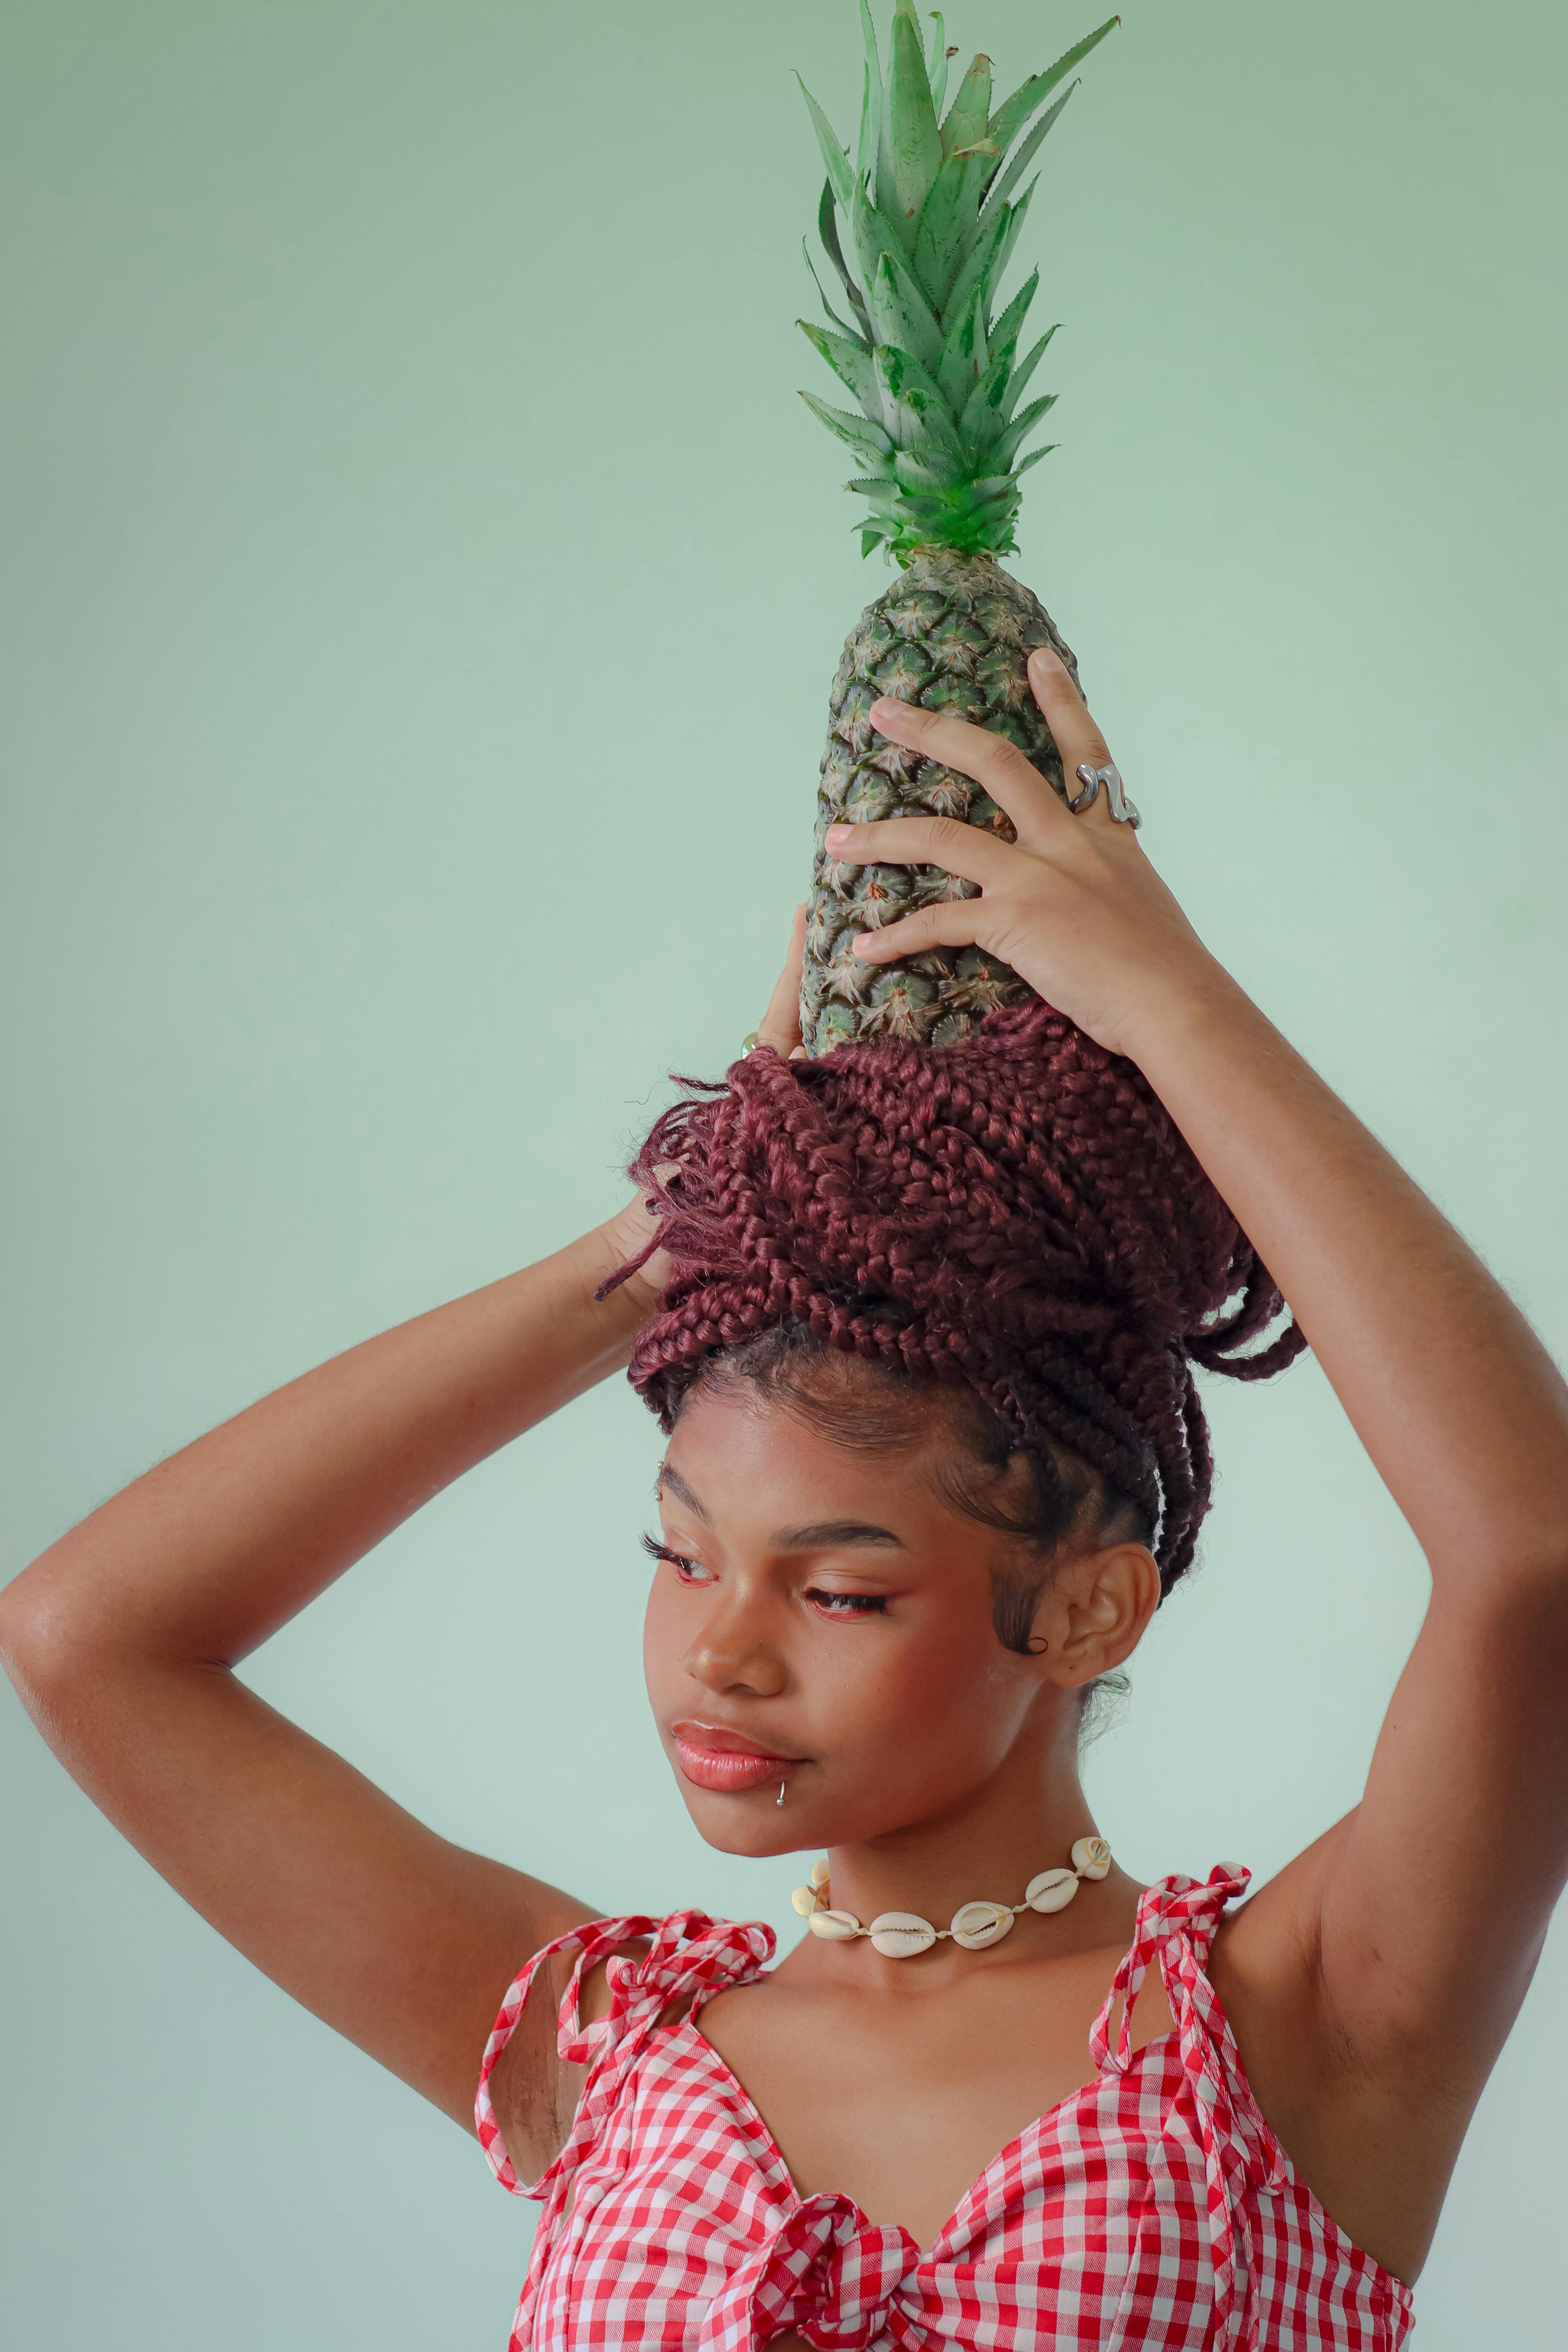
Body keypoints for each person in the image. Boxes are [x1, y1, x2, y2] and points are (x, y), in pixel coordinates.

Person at [4, 647, 1566, 2352]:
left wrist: (1172, 1008)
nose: (718, 1655)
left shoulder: (1298, 2030)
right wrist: (676, 1231)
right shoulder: (602, 2047)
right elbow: (88, 1637)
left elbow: (1532, 1564)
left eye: (837, 1590)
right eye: (681, 1556)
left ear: (1086, 1605)